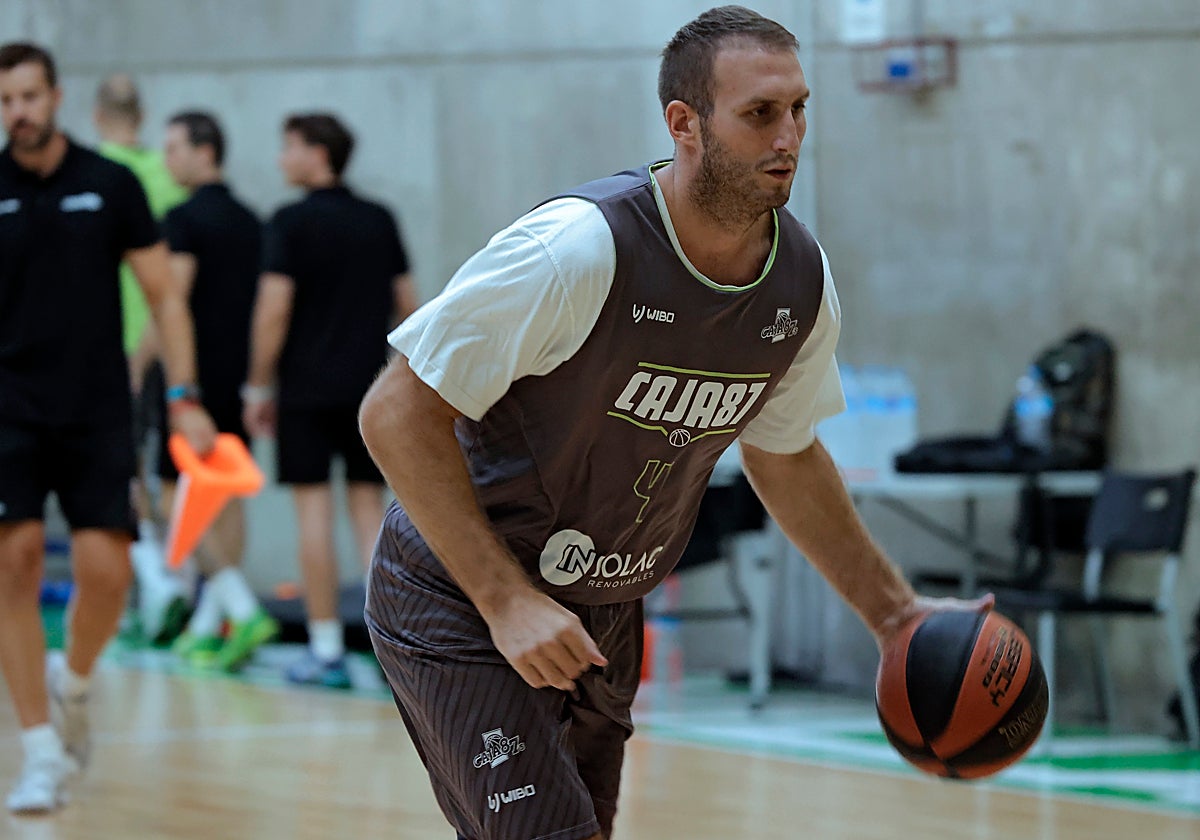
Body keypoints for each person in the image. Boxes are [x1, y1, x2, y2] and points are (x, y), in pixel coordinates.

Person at [358, 7, 989, 840]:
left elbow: (785, 454)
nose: (789, 137)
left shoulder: (799, 282)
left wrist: (895, 617)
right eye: (759, 113)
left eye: (799, 109)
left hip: (604, 610)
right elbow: (396, 412)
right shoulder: (578, 250)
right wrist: (505, 600)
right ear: (684, 124)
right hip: (461, 592)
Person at [0, 43, 215, 814]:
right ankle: (40, 752)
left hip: (96, 406)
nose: (19, 112)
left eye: (29, 96)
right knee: (15, 560)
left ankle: (75, 682)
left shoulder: (110, 183)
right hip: (9, 405)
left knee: (108, 573)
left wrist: (184, 394)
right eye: (5, 100)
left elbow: (165, 296)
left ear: (57, 97)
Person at [243, 113, 417, 688]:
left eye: (289, 147)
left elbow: (273, 310)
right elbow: (410, 307)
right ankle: (390, 651)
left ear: (318, 154)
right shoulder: (378, 219)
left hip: (305, 393)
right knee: (371, 518)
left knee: (313, 517)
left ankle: (325, 649)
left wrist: (258, 385)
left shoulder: (289, 222)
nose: (281, 159)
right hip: (371, 390)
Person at [159, 110, 279, 671]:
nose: (168, 159)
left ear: (206, 151)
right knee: (224, 498)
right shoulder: (254, 221)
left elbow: (171, 301)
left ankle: (240, 607)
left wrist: (146, 365)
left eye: (175, 148)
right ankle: (212, 625)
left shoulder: (182, 219)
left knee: (174, 500)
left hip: (191, 382)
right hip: (238, 379)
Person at [93, 73, 192, 645]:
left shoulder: (94, 174)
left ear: (94, 114)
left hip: (111, 346)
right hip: (164, 344)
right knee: (164, 470)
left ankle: (150, 582)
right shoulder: (166, 177)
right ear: (144, 113)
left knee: (117, 473)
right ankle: (167, 582)